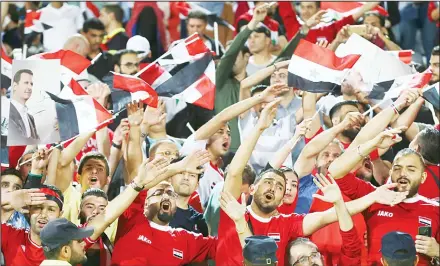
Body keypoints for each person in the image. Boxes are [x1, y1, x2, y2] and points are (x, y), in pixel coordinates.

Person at [216, 100, 408, 266]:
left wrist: (373, 196)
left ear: (283, 198)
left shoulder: (287, 223)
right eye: (268, 181)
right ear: (252, 188)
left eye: (280, 187)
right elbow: (234, 171)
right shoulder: (232, 209)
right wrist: (259, 128)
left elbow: (329, 216)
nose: (274, 187)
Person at [329, 129, 440, 265]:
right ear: (391, 171)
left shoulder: (435, 210)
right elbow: (335, 172)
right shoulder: (374, 196)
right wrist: (372, 145)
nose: (403, 173)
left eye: (411, 169)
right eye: (397, 168)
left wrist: (438, 251)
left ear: (423, 177)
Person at [9, 69, 39, 144]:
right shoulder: (6, 111)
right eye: (26, 83)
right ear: (15, 86)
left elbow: (36, 142)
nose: (29, 87)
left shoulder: (30, 118)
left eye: (31, 84)